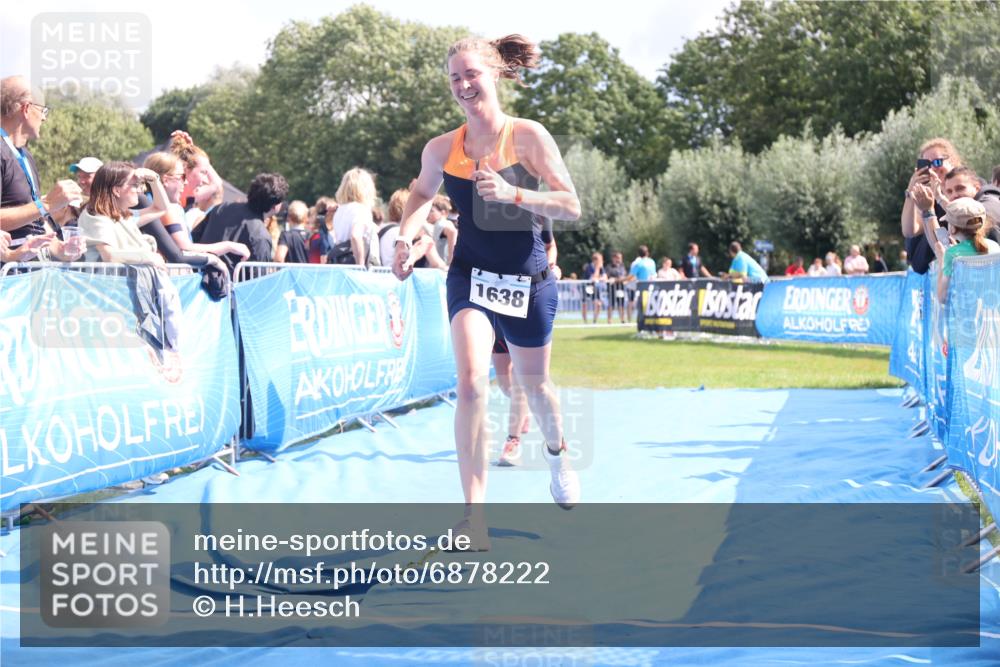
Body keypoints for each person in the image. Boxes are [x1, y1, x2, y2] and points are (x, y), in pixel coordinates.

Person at [391, 34, 582, 535]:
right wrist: (406, 239)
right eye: (454, 78)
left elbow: (572, 205)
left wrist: (514, 192)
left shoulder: (528, 137)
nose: (463, 85)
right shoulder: (441, 149)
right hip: (470, 276)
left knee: (536, 387)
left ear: (494, 73)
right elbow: (418, 198)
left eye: (471, 74)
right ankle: (474, 516)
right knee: (472, 382)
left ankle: (559, 455)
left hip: (528, 279)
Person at [77, 162, 183, 386]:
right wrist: (147, 256)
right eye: (134, 185)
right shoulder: (96, 216)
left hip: (124, 301)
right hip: (110, 302)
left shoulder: (121, 216)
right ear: (116, 190)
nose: (139, 189)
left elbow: (160, 208)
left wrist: (153, 178)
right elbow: (109, 255)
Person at [0, 75, 84, 263]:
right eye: (43, 110)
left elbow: (35, 219)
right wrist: (46, 204)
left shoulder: (25, 155)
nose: (44, 118)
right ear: (27, 108)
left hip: (29, 272)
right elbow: (38, 208)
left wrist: (60, 247)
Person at [143, 151, 249, 260]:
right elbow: (185, 249)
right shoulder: (166, 209)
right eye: (182, 177)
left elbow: (217, 184)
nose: (185, 182)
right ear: (166, 180)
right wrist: (228, 246)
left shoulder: (149, 202)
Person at [192, 173, 288, 273]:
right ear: (275, 206)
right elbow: (258, 278)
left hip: (199, 279)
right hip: (229, 286)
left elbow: (194, 238)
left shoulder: (221, 208)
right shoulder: (261, 236)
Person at [910, 196, 1000, 303]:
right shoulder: (995, 246)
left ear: (952, 229)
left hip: (966, 314)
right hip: (992, 315)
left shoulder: (952, 254)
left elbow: (942, 297)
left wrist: (942, 259)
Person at [900, 138, 961, 275]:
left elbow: (963, 216)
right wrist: (910, 192)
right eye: (927, 164)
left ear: (952, 161)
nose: (933, 168)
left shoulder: (965, 187)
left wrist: (940, 197)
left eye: (938, 162)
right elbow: (909, 231)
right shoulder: (926, 196)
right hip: (928, 262)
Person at [329, 167, 380, 266]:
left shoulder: (340, 210)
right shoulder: (361, 209)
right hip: (359, 266)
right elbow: (355, 235)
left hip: (341, 262)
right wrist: (360, 265)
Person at [605, 250, 629, 323]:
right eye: (618, 258)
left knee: (621, 304)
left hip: (620, 288)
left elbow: (624, 276)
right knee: (611, 304)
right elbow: (608, 277)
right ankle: (609, 320)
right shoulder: (609, 267)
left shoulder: (622, 267)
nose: (619, 259)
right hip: (612, 288)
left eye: (620, 258)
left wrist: (617, 280)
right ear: (614, 258)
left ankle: (622, 319)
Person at [581, 251, 605, 324]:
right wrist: (597, 268)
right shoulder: (589, 267)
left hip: (595, 287)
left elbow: (605, 277)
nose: (601, 261)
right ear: (594, 260)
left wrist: (600, 277)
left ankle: (594, 321)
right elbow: (593, 278)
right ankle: (585, 322)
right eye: (599, 260)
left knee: (598, 304)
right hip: (587, 287)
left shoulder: (601, 267)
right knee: (585, 304)